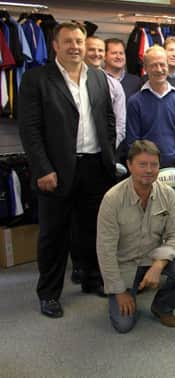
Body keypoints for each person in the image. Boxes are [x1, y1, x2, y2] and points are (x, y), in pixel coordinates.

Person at [18, 21, 116, 318]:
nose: (75, 46)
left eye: (79, 41)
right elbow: (30, 130)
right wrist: (42, 169)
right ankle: (48, 294)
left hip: (94, 165)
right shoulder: (37, 79)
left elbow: (108, 120)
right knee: (54, 235)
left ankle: (91, 278)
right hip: (56, 170)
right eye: (68, 41)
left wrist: (108, 156)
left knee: (91, 230)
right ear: (56, 46)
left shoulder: (98, 77)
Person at [97, 140, 175, 333]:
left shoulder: (168, 194)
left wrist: (159, 265)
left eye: (154, 165)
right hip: (125, 264)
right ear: (129, 165)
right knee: (123, 325)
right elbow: (105, 250)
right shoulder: (112, 199)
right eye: (142, 164)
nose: (149, 170)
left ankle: (162, 307)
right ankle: (125, 292)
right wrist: (119, 291)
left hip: (153, 257)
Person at [126, 45, 175, 170]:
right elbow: (133, 142)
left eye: (162, 64)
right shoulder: (135, 102)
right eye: (153, 65)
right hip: (148, 168)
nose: (159, 69)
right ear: (145, 68)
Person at [85, 36, 126, 150]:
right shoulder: (70, 81)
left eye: (100, 50)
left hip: (103, 151)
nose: (96, 54)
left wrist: (108, 148)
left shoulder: (114, 85)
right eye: (91, 49)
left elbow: (120, 125)